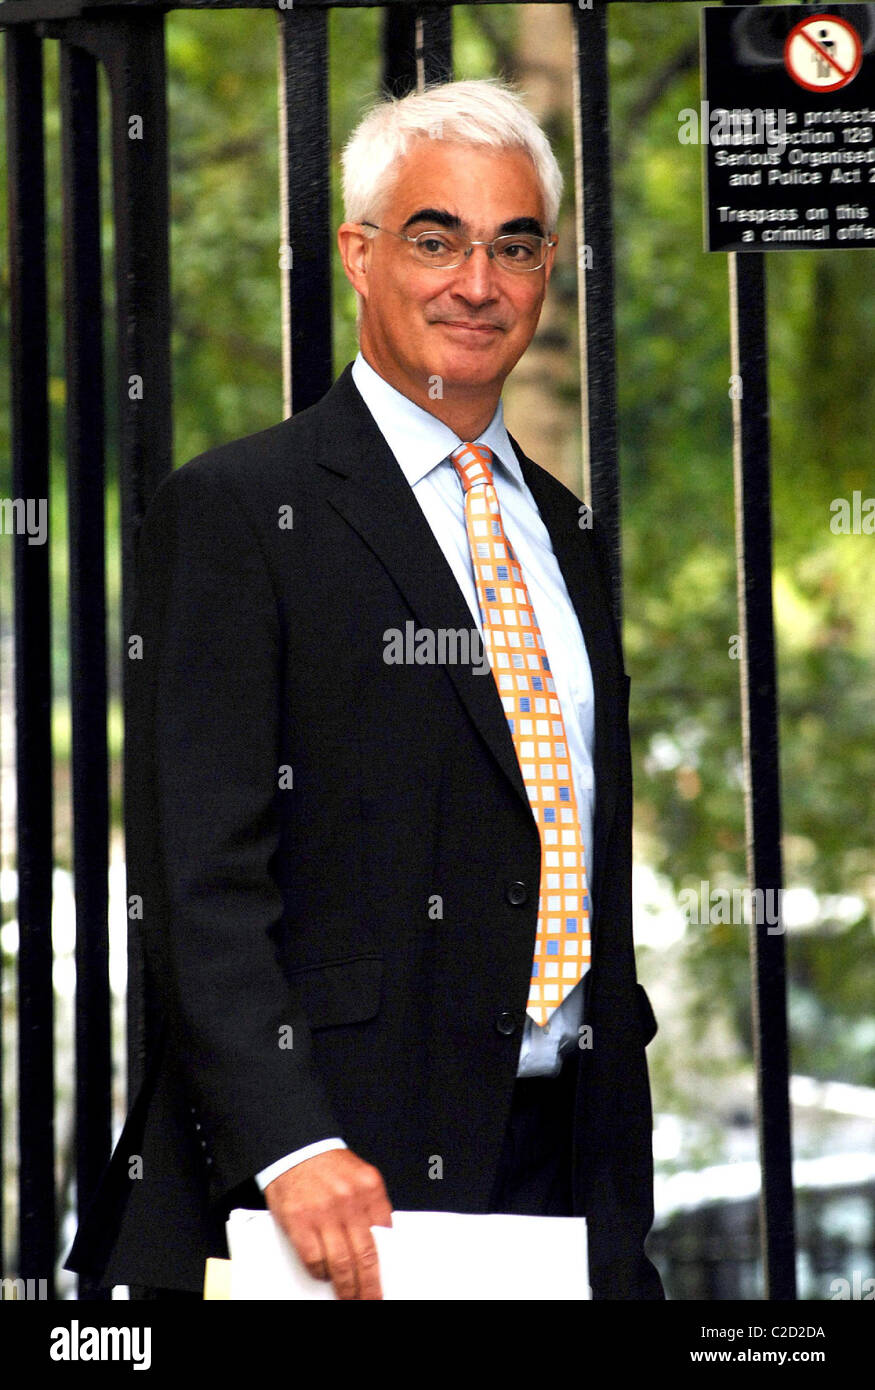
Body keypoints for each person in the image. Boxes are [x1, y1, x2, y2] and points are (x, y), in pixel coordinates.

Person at [66, 78, 663, 1302]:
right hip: (328, 1186)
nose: (475, 283)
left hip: (562, 1183)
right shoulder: (242, 512)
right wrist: (291, 1141)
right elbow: (200, 873)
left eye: (513, 245)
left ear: (548, 267)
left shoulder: (567, 531)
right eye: (434, 238)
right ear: (357, 253)